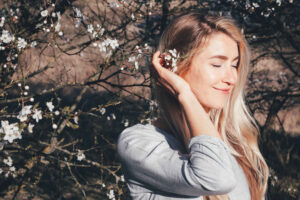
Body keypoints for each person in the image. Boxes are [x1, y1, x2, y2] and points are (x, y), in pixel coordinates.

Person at [117, 13, 269, 200]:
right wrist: (185, 94)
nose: (232, 78)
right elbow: (216, 178)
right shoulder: (139, 143)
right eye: (217, 64)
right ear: (174, 68)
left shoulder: (232, 146)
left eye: (234, 65)